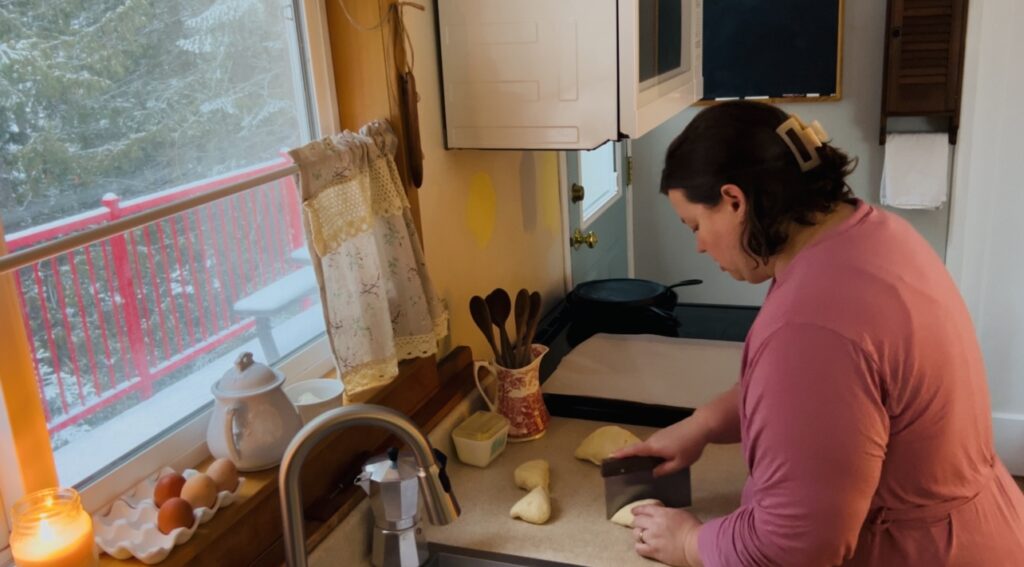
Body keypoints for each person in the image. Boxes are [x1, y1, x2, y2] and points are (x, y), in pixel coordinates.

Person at [614, 101, 1024, 567]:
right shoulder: (870, 233)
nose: (700, 244)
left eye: (696, 224)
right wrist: (703, 425)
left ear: (734, 200)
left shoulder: (811, 325)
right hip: (987, 527)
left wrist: (690, 543)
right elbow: (823, 404)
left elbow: (796, 547)